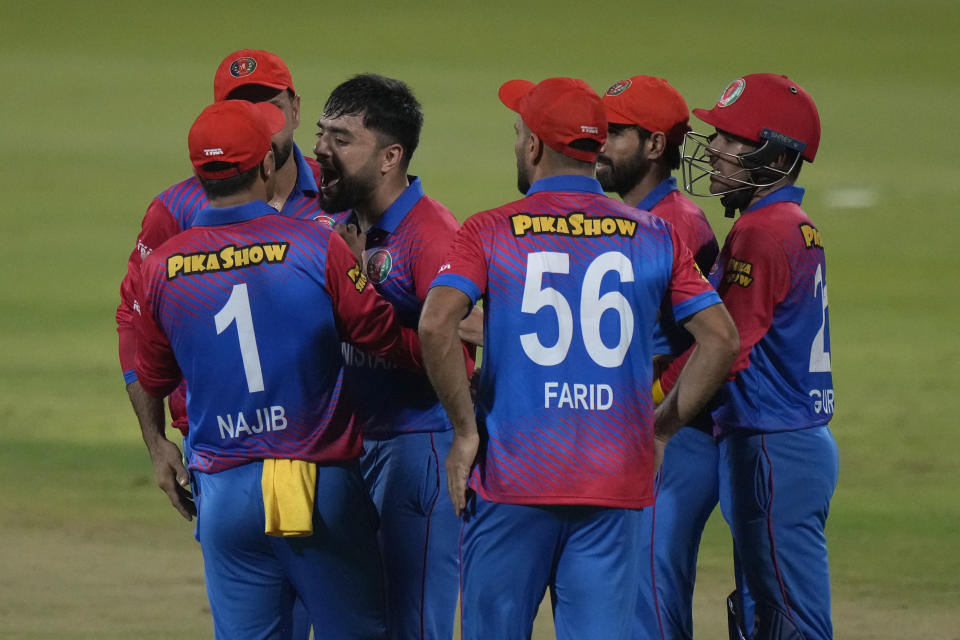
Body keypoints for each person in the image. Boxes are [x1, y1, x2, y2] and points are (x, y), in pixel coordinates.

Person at [417, 77, 740, 640]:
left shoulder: (490, 230)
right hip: (613, 480)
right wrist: (660, 432)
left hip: (512, 477)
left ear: (535, 147)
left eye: (519, 134)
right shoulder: (655, 233)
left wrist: (464, 432)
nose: (517, 144)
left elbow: (436, 321)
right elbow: (720, 339)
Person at [134, 99, 427, 639]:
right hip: (313, 484)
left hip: (223, 491)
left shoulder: (162, 269)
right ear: (268, 166)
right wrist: (450, 348)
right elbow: (380, 336)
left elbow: (149, 373)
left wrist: (157, 444)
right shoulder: (316, 244)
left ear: (199, 173)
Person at [662, 73, 838, 640]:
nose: (713, 148)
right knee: (764, 612)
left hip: (770, 445)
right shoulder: (788, 224)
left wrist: (654, 416)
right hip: (785, 444)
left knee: (786, 619)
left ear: (777, 155)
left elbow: (725, 350)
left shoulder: (762, 232)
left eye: (734, 139)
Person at [116, 48, 325, 505]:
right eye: (240, 108)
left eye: (269, 104)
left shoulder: (341, 192)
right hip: (221, 448)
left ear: (295, 107)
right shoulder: (175, 210)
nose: (260, 120)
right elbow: (134, 321)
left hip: (328, 446)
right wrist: (156, 442)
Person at [313, 73, 467, 640]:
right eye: (321, 133)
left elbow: (477, 328)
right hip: (348, 445)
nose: (322, 151)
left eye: (342, 138)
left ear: (389, 156)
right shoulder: (335, 227)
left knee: (412, 622)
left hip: (416, 445)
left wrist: (379, 300)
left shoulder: (431, 235)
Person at [597, 75, 732, 640]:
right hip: (654, 435)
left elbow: (700, 343)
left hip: (672, 439)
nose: (599, 142)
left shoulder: (672, 223)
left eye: (616, 132)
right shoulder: (644, 215)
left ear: (655, 146)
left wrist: (643, 417)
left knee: (648, 604)